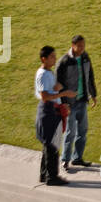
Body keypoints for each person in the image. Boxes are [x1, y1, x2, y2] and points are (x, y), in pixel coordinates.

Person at [35, 45, 76, 185]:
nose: (54, 59)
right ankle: (52, 177)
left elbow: (50, 91)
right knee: (52, 145)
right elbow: (45, 96)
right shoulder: (42, 74)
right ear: (43, 58)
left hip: (53, 109)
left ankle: (44, 175)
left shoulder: (48, 73)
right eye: (52, 56)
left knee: (49, 145)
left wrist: (58, 93)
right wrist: (64, 93)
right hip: (48, 111)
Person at [56, 36, 98, 172]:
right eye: (79, 46)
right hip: (70, 104)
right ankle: (65, 160)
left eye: (83, 46)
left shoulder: (85, 57)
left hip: (82, 101)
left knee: (83, 130)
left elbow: (90, 76)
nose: (82, 48)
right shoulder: (64, 61)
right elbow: (57, 84)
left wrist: (93, 94)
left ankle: (77, 158)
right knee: (70, 132)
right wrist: (63, 102)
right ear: (72, 45)